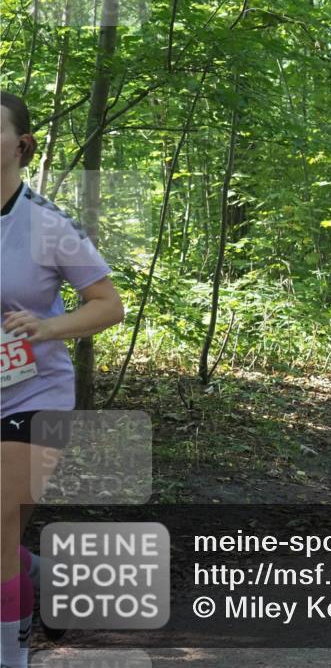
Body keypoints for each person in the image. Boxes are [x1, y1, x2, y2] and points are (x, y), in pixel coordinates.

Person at [1, 91, 124, 667]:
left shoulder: (48, 225)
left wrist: (48, 329)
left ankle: (11, 655)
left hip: (34, 395)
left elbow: (108, 305)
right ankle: (51, 574)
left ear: (21, 146)